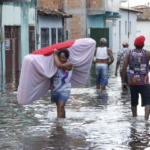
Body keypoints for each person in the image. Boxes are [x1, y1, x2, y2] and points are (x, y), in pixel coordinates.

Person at [122, 36, 150, 121]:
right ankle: (146, 121)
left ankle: (134, 119)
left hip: (133, 82)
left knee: (133, 102)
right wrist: (148, 70)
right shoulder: (147, 53)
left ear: (134, 44)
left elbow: (124, 68)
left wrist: (123, 81)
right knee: (148, 102)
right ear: (143, 44)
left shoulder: (129, 53)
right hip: (144, 82)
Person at [51, 49, 73, 118]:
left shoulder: (69, 64)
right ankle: (63, 122)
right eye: (60, 57)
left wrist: (54, 54)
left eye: (63, 58)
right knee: (60, 107)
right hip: (55, 89)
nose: (61, 59)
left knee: (60, 106)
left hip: (65, 89)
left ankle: (59, 126)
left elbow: (60, 66)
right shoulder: (54, 63)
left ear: (67, 58)